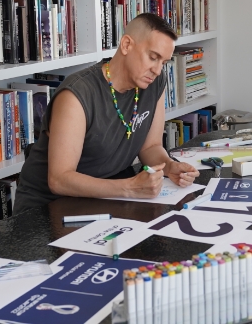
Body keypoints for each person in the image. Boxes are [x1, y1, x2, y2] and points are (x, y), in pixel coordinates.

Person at [14, 13, 200, 213]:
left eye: (163, 62)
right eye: (153, 57)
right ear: (127, 45)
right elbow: (60, 180)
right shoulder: (77, 95)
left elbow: (151, 147)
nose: (157, 70)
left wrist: (169, 167)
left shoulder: (155, 83)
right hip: (47, 207)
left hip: (106, 195)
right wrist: (130, 188)